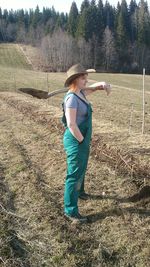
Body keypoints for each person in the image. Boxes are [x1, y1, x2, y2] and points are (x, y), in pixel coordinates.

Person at [62, 63, 111, 223]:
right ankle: (70, 211)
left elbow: (94, 88)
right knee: (74, 174)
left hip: (82, 139)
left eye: (86, 77)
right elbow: (71, 125)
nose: (87, 80)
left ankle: (80, 192)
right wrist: (82, 141)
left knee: (81, 167)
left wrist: (102, 85)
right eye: (83, 78)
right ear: (75, 80)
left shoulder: (80, 93)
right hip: (76, 140)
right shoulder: (71, 99)